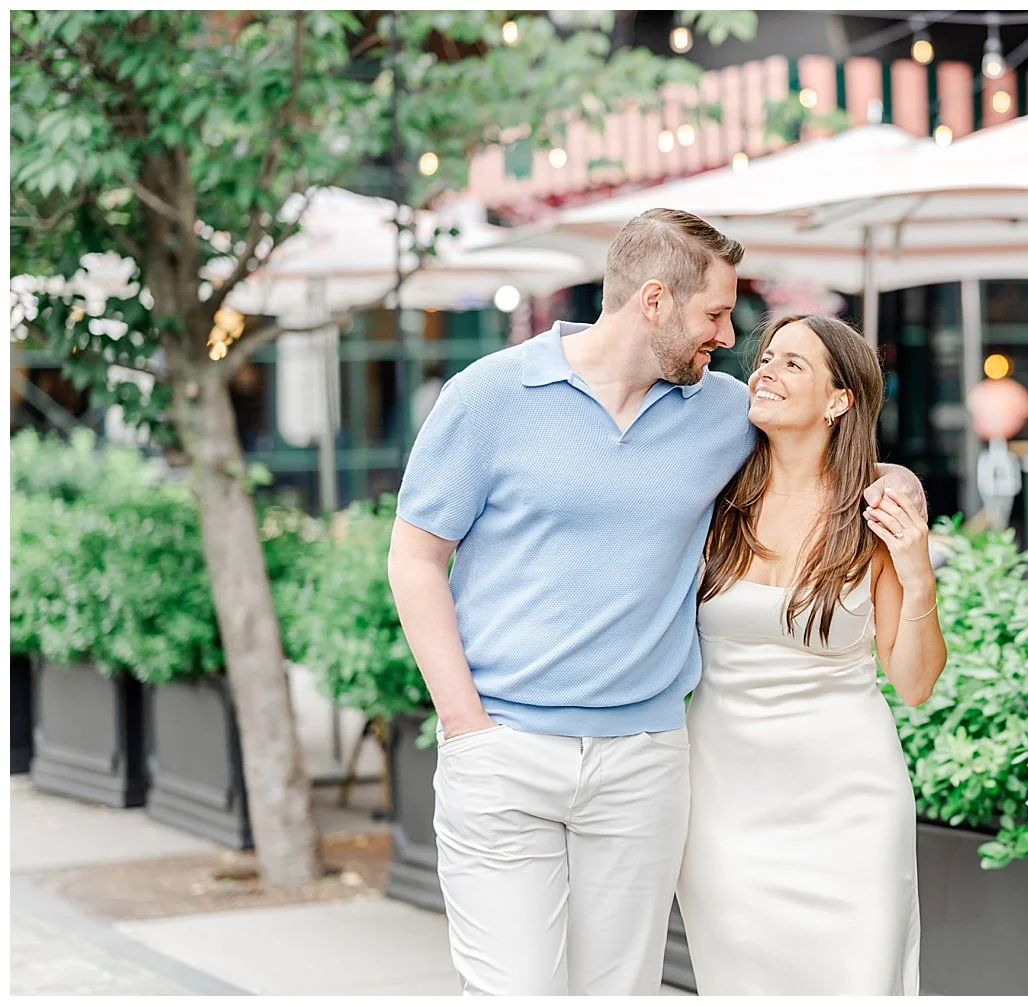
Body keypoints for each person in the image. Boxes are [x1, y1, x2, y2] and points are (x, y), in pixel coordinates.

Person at [386, 209, 926, 996]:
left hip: (645, 758)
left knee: (622, 992)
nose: (726, 335)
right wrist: (467, 725)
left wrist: (896, 480)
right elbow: (414, 559)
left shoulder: (721, 410)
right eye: (714, 313)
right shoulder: (490, 393)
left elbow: (822, 449)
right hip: (506, 748)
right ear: (653, 301)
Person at [676, 314, 946, 995]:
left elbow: (913, 682)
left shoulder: (875, 518)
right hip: (723, 808)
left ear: (839, 399)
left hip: (850, 806)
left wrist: (916, 571)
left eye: (794, 363)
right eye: (765, 358)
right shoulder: (711, 496)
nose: (765, 370)